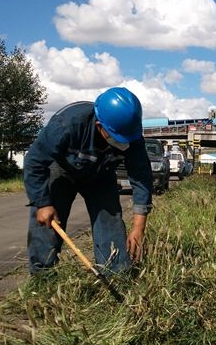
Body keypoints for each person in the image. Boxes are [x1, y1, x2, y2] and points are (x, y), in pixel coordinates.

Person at [23, 87, 153, 277]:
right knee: (47, 221)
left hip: (101, 175)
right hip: (62, 169)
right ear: (100, 126)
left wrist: (138, 227)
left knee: (110, 222)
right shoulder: (66, 124)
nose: (123, 143)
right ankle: (43, 278)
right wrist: (42, 203)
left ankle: (116, 275)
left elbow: (141, 177)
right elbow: (34, 161)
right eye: (117, 138)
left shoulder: (130, 135)